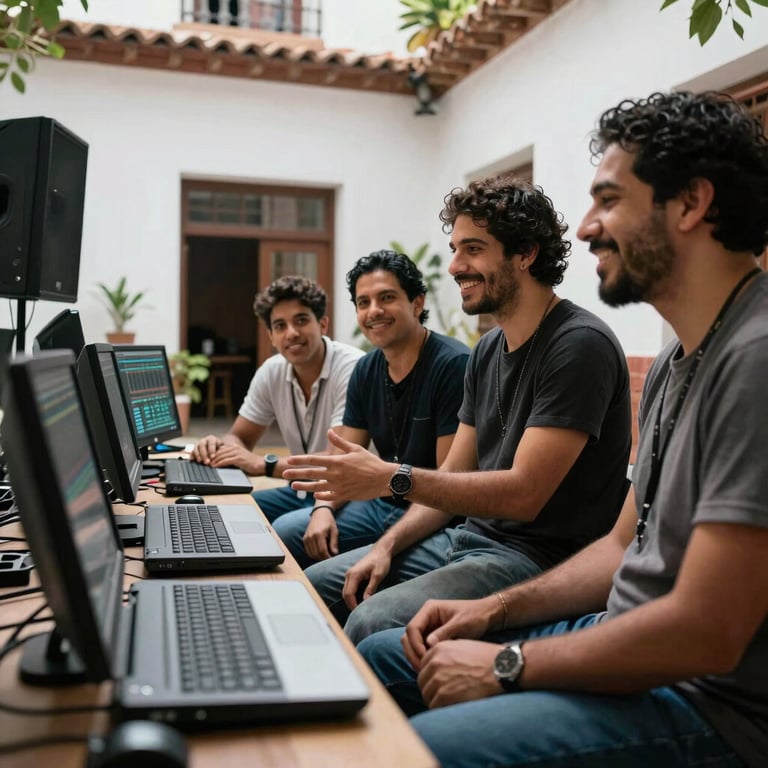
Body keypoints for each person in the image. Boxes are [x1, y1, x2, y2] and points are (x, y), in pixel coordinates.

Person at [356, 90, 768, 768]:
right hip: (623, 631)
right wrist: (491, 615)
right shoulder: (674, 361)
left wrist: (509, 663)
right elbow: (617, 550)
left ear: (691, 203)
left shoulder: (753, 361)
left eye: (608, 199)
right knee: (386, 652)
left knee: (419, 749)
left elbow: (707, 632)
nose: (584, 227)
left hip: (709, 704)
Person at [284, 176, 632, 643]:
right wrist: (385, 546)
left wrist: (391, 476)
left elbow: (524, 494)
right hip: (467, 540)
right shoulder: (487, 350)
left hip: (536, 559)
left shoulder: (578, 345)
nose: (453, 266)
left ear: (525, 253)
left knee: (368, 619)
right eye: (454, 249)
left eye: (472, 249)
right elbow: (454, 473)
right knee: (312, 587)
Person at [270, 250, 470, 568]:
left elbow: (447, 492)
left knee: (322, 575)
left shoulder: (453, 366)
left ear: (417, 303)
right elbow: (344, 458)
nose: (373, 311)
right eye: (363, 303)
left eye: (386, 298)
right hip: (381, 504)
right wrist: (323, 509)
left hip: (434, 516)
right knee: (287, 532)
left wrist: (387, 545)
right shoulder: (366, 369)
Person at [191, 275, 363, 521]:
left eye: (301, 320)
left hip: (346, 495)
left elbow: (338, 463)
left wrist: (265, 464)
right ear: (271, 336)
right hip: (300, 490)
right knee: (224, 510)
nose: (291, 333)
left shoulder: (353, 367)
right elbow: (239, 436)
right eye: (280, 326)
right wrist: (222, 449)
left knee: (282, 527)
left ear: (323, 324)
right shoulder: (272, 371)